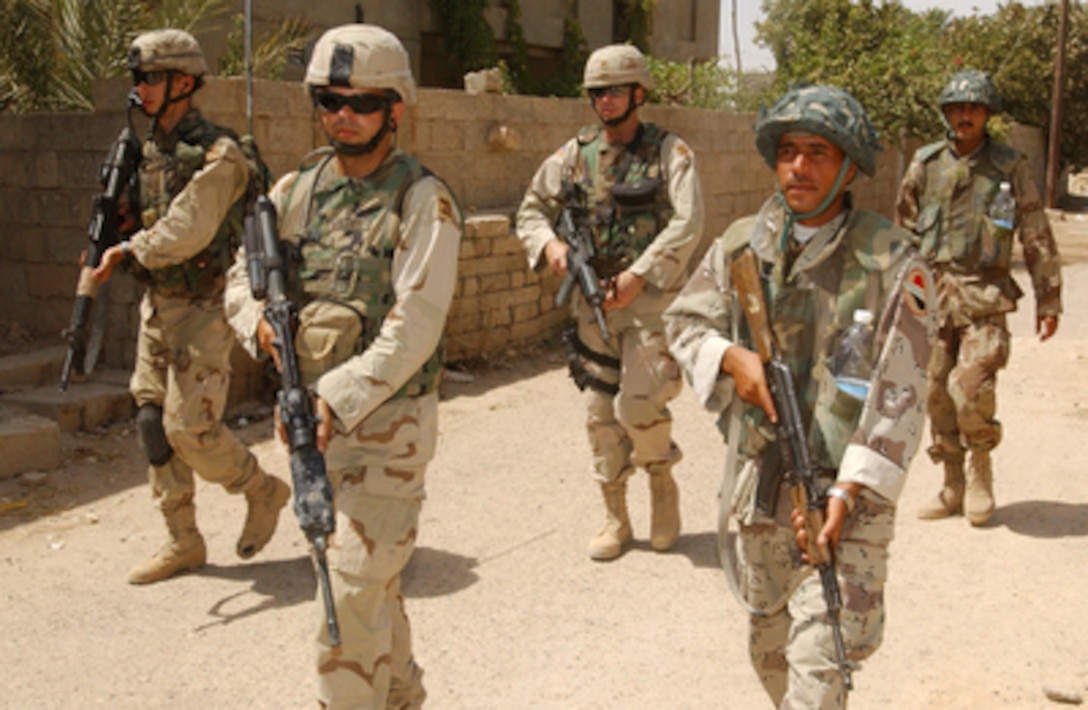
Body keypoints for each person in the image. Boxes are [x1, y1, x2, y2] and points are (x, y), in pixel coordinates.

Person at [664, 85, 936, 707]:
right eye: (788, 150)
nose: (799, 167)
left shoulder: (892, 262)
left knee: (821, 668)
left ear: (848, 165)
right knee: (770, 652)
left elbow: (902, 393)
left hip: (849, 493)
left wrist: (845, 491)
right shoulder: (741, 244)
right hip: (763, 486)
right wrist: (732, 358)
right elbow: (682, 323)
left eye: (818, 152)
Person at [224, 24, 461, 709]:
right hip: (312, 424)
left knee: (344, 599)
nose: (343, 116)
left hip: (388, 430)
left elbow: (416, 323)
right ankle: (402, 697)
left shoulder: (424, 200)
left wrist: (337, 395)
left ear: (397, 108)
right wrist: (262, 331)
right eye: (329, 101)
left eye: (361, 102)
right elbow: (241, 280)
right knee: (370, 587)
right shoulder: (298, 188)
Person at [91, 29, 288, 585]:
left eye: (152, 78)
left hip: (204, 306)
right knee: (152, 423)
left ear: (183, 82)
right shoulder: (147, 149)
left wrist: (129, 249)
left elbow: (189, 227)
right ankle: (183, 540)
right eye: (137, 79)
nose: (142, 89)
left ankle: (262, 489)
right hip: (158, 303)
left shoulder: (220, 154)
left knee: (192, 430)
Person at [515, 44, 706, 561]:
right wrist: (551, 246)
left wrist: (640, 276)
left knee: (640, 402)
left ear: (638, 94)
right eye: (597, 93)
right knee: (600, 413)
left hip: (649, 304)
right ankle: (615, 516)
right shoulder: (573, 155)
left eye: (615, 91)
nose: (604, 101)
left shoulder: (671, 153)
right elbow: (530, 210)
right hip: (592, 303)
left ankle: (662, 485)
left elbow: (688, 222)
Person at [895, 69, 1063, 526]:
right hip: (932, 300)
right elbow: (903, 238)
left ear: (987, 114)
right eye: (956, 108)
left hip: (984, 296)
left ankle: (980, 470)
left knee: (969, 391)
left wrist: (1049, 300)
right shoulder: (924, 165)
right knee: (934, 393)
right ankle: (952, 482)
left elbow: (1036, 233)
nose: (964, 116)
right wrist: (896, 302)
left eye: (973, 108)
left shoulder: (1009, 167)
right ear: (946, 113)